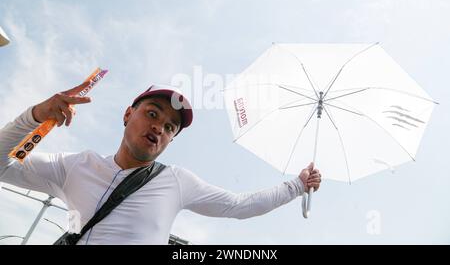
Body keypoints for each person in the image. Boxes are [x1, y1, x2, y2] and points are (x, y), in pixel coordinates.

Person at [0, 82, 322, 244]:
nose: (159, 127)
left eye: (170, 127)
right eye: (152, 114)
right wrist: (35, 116)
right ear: (128, 114)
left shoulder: (178, 182)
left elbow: (239, 205)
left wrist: (297, 185)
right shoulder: (75, 165)